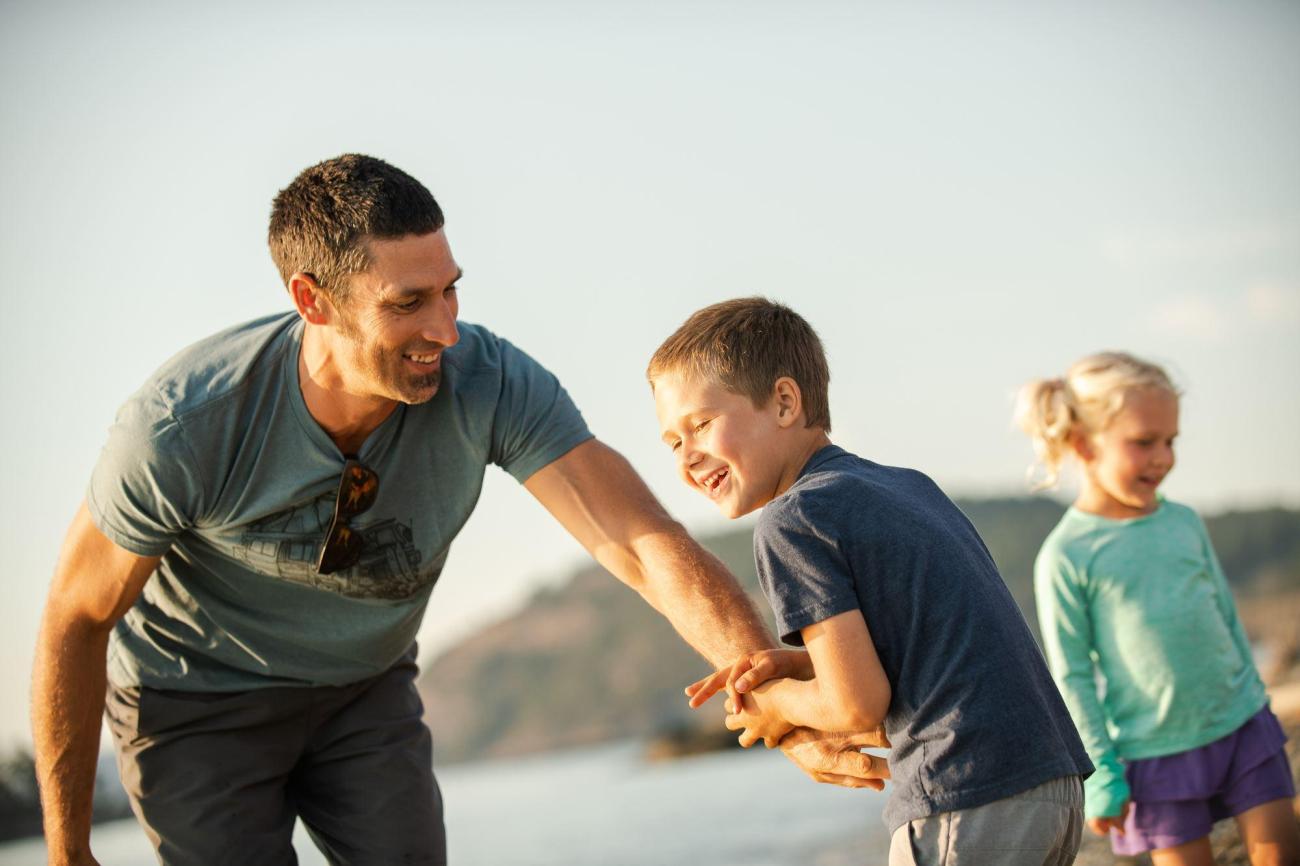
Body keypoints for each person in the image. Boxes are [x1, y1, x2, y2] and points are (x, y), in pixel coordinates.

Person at [29, 155, 886, 866]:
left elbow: (640, 544)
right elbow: (75, 616)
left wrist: (774, 694)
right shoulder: (186, 425)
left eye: (449, 290)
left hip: (362, 693)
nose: (445, 328)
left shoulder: (488, 380)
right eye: (407, 303)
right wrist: (68, 853)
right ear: (312, 300)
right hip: (197, 704)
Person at [647, 297, 1093, 866]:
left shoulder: (793, 520)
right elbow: (931, 638)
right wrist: (807, 664)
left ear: (784, 402)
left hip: (961, 793)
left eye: (701, 425)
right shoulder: (906, 487)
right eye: (672, 442)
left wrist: (776, 704)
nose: (687, 455)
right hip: (1051, 781)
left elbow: (856, 703)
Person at [1017, 352, 1300, 866]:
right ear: (1083, 444)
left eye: (1170, 441)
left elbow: (1227, 617)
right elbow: (1073, 678)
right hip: (1154, 754)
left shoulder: (1184, 522)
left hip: (1242, 726)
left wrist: (1255, 695)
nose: (1163, 458)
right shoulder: (1066, 556)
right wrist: (1103, 775)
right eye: (1144, 442)